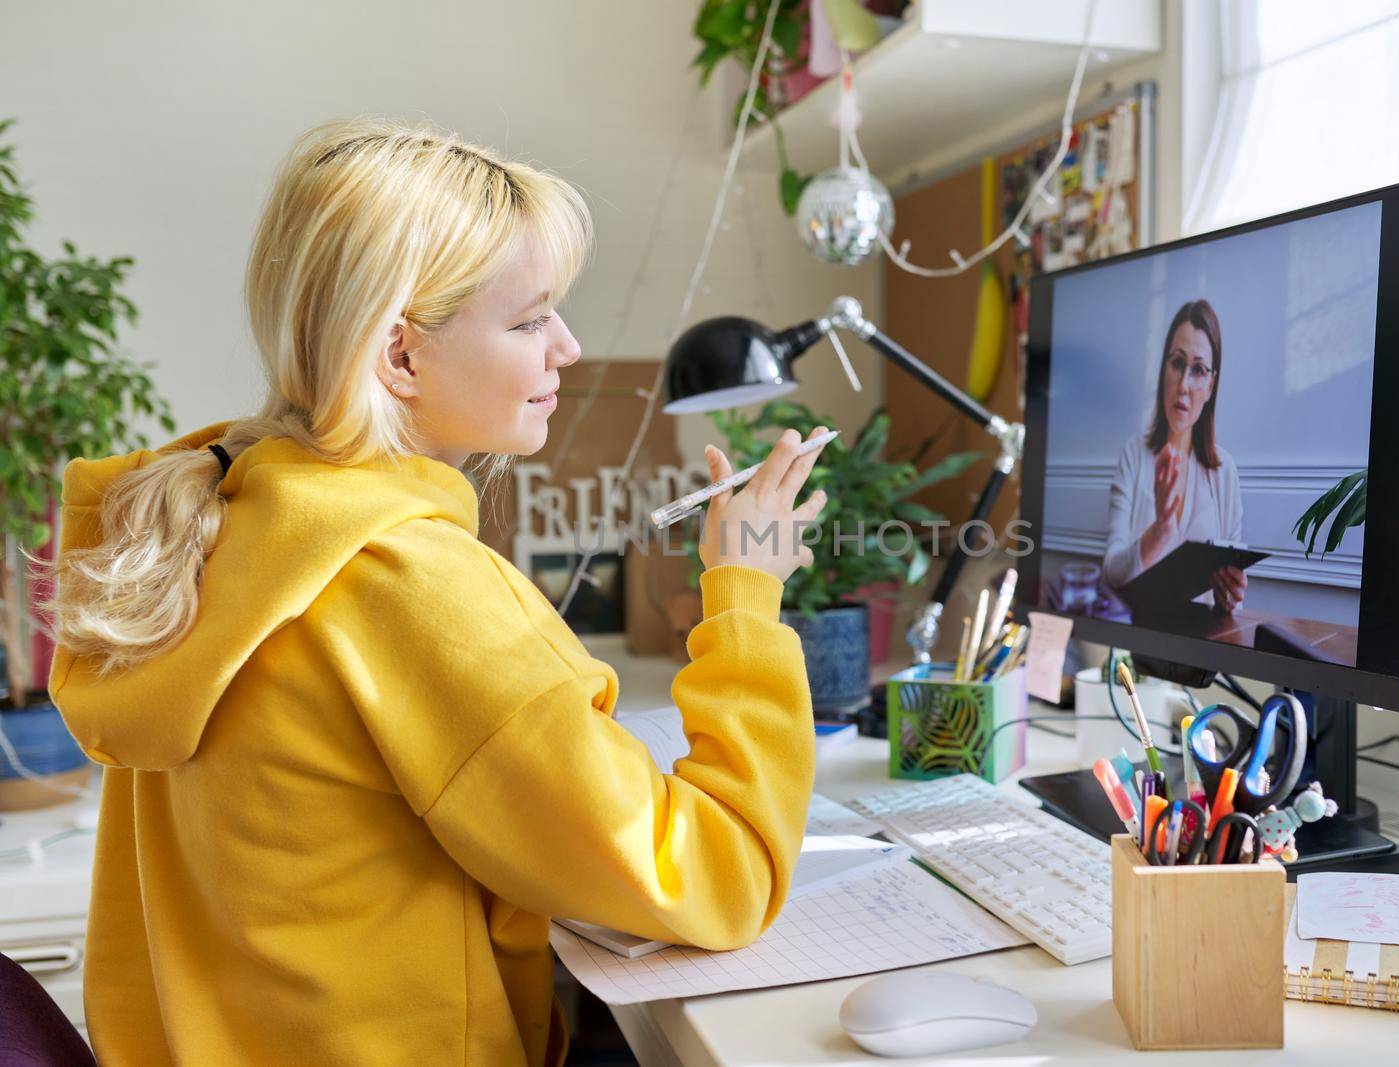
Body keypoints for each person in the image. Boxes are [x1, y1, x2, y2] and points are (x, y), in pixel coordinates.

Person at [39, 118, 828, 1066]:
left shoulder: (220, 521)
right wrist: (743, 596)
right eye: (532, 319)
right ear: (401, 356)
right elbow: (717, 875)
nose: (568, 348)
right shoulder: (410, 586)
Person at [1102, 299, 1245, 613]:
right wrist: (1161, 529)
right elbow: (1111, 573)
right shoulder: (1133, 455)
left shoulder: (1225, 471)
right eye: (1177, 363)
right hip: (1138, 644)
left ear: (1210, 385)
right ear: (1163, 369)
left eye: (1198, 370)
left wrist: (1229, 598)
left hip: (1200, 651)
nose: (1183, 385)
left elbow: (1229, 604)